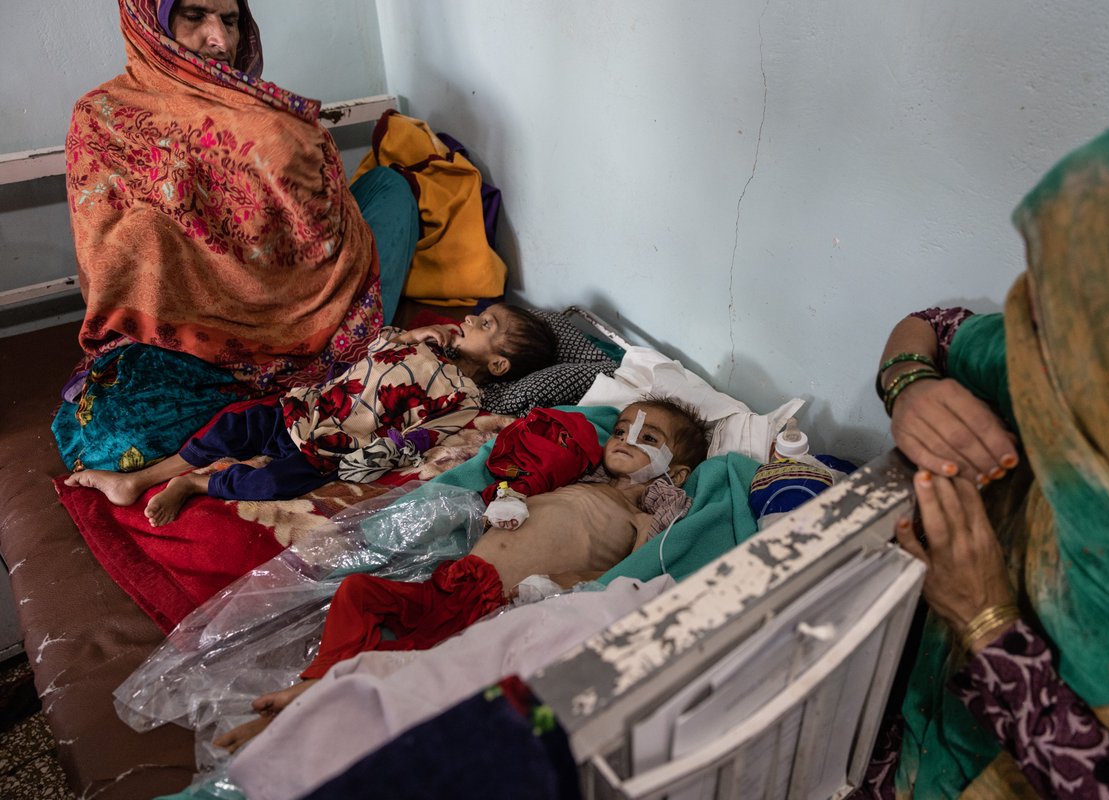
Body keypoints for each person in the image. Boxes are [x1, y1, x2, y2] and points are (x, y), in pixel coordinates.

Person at [863, 98, 1109, 798]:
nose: (1026, 323)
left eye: (1063, 321)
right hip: (902, 732)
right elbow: (933, 326)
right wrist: (910, 385)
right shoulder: (1052, 365)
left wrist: (988, 623)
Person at [212, 396, 710, 753]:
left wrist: (556, 593)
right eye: (621, 429)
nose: (623, 439)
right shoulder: (578, 478)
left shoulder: (644, 522)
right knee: (358, 591)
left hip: (497, 604)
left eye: (648, 439)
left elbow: (625, 581)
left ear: (677, 473)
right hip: (457, 578)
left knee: (405, 663)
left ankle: (310, 703)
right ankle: (318, 682)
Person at [54, 0, 420, 473]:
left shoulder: (260, 113)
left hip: (301, 291)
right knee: (113, 433)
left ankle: (303, 379)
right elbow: (109, 265)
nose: (221, 41)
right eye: (194, 16)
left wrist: (293, 157)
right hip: (191, 331)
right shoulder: (103, 118)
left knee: (390, 186)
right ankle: (311, 384)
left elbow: (313, 237)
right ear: (149, 22)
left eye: (230, 20)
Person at [65, 305, 556, 525]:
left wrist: (357, 461)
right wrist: (409, 338)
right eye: (480, 313)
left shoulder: (465, 400)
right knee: (234, 424)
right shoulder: (425, 338)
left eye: (485, 323)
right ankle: (143, 477)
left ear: (498, 363)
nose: (470, 318)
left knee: (272, 484)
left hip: (331, 449)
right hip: (305, 408)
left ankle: (193, 484)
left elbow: (416, 440)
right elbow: (370, 349)